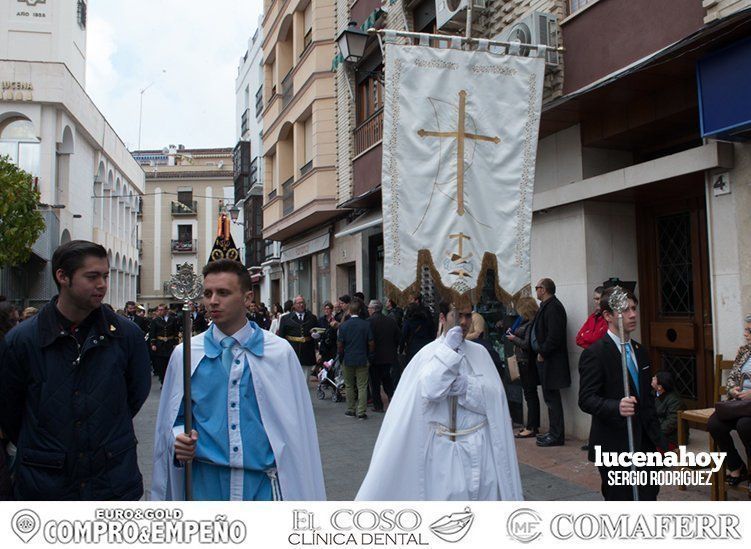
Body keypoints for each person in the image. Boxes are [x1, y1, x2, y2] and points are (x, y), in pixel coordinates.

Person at [151, 259, 325, 501]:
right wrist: (178, 438)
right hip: (205, 487)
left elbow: (296, 428)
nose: (212, 301)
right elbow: (174, 418)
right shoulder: (187, 353)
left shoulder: (278, 353)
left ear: (247, 298)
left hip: (262, 488)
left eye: (223, 293)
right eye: (208, 293)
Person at [0, 240, 151, 500]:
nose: (102, 284)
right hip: (46, 486)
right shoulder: (22, 340)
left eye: (105, 276)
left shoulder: (126, 336)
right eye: (92, 277)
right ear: (63, 277)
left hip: (111, 482)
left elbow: (135, 395)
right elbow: (10, 411)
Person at [357, 302, 522, 500]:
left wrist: (467, 387)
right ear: (442, 318)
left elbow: (495, 400)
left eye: (468, 316)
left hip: (481, 447)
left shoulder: (480, 353)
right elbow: (431, 390)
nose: (463, 321)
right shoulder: (427, 355)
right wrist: (448, 353)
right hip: (444, 451)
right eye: (458, 315)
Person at [578, 287, 663, 501]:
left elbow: (647, 400)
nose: (633, 314)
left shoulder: (640, 351)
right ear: (607, 315)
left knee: (648, 497)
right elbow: (586, 399)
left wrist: (659, 440)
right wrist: (615, 406)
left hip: (644, 444)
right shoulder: (595, 354)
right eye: (624, 310)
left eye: (634, 308)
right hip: (614, 444)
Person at [708, 315, 751, 487]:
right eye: (746, 330)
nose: (746, 334)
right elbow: (732, 377)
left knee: (744, 426)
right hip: (739, 403)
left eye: (749, 330)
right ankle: (736, 466)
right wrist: (733, 389)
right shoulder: (744, 351)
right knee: (714, 424)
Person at [530, 278, 570, 447]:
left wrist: (543, 352)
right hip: (546, 361)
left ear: (544, 289)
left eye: (537, 287)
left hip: (551, 361)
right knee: (549, 398)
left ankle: (556, 435)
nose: (536, 290)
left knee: (552, 399)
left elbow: (555, 335)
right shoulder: (546, 306)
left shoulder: (553, 307)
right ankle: (553, 432)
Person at [506, 296, 540, 438]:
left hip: (526, 361)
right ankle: (531, 425)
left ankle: (531, 426)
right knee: (529, 394)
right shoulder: (526, 321)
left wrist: (514, 339)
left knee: (530, 394)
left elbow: (527, 344)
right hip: (524, 360)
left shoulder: (531, 323)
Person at [337, 298, 374, 419]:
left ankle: (350, 409)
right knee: (362, 386)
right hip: (362, 357)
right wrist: (370, 354)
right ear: (359, 311)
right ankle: (361, 411)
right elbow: (371, 342)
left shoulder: (344, 326)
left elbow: (340, 344)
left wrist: (341, 356)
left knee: (349, 385)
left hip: (348, 358)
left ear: (349, 311)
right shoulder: (366, 324)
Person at [367, 300, 399, 413]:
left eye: (369, 308)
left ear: (373, 309)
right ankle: (393, 400)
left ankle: (378, 405)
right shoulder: (390, 321)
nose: (368, 310)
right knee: (387, 379)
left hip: (375, 357)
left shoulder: (369, 322)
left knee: (375, 382)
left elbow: (368, 340)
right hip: (388, 356)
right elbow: (397, 337)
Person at [278, 296, 318, 375]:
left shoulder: (312, 318)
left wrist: (317, 336)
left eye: (303, 303)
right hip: (292, 351)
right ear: (294, 305)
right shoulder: (285, 319)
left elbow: (317, 332)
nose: (301, 305)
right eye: (299, 303)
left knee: (305, 379)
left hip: (307, 352)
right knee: (293, 377)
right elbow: (281, 337)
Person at [652, 370, 685, 450]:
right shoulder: (653, 393)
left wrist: (654, 432)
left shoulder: (675, 400)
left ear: (660, 387)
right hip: (656, 430)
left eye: (655, 379)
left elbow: (671, 423)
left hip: (671, 436)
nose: (652, 378)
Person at [149, 303, 180, 385]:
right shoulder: (155, 321)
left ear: (166, 310)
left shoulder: (173, 319)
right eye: (159, 310)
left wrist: (176, 343)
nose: (160, 311)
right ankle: (163, 381)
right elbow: (152, 333)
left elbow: (175, 332)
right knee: (161, 364)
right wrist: (153, 344)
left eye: (162, 310)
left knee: (170, 362)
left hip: (170, 343)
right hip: (160, 344)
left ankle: (170, 381)